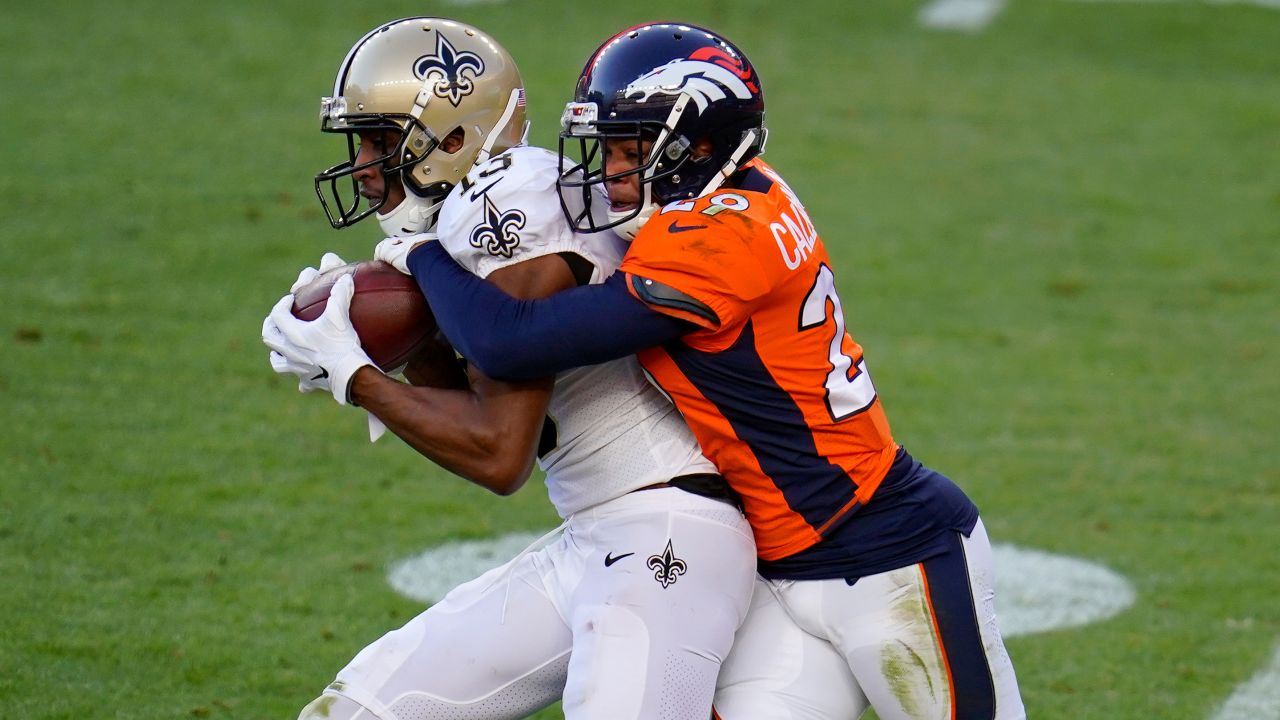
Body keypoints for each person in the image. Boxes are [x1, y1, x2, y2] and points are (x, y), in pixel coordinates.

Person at [401, 22, 1027, 720]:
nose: (608, 174)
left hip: (894, 557)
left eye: (630, 150)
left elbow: (511, 345)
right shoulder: (735, 192)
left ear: (702, 147)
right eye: (605, 148)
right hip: (778, 573)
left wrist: (421, 252)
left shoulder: (718, 238)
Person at [262, 17, 756, 720]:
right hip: (601, 533)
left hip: (668, 532)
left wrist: (355, 375)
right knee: (360, 710)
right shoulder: (475, 215)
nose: (366, 166)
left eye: (381, 140)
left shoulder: (506, 201)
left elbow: (498, 454)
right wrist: (385, 355)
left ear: (455, 139)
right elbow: (480, 403)